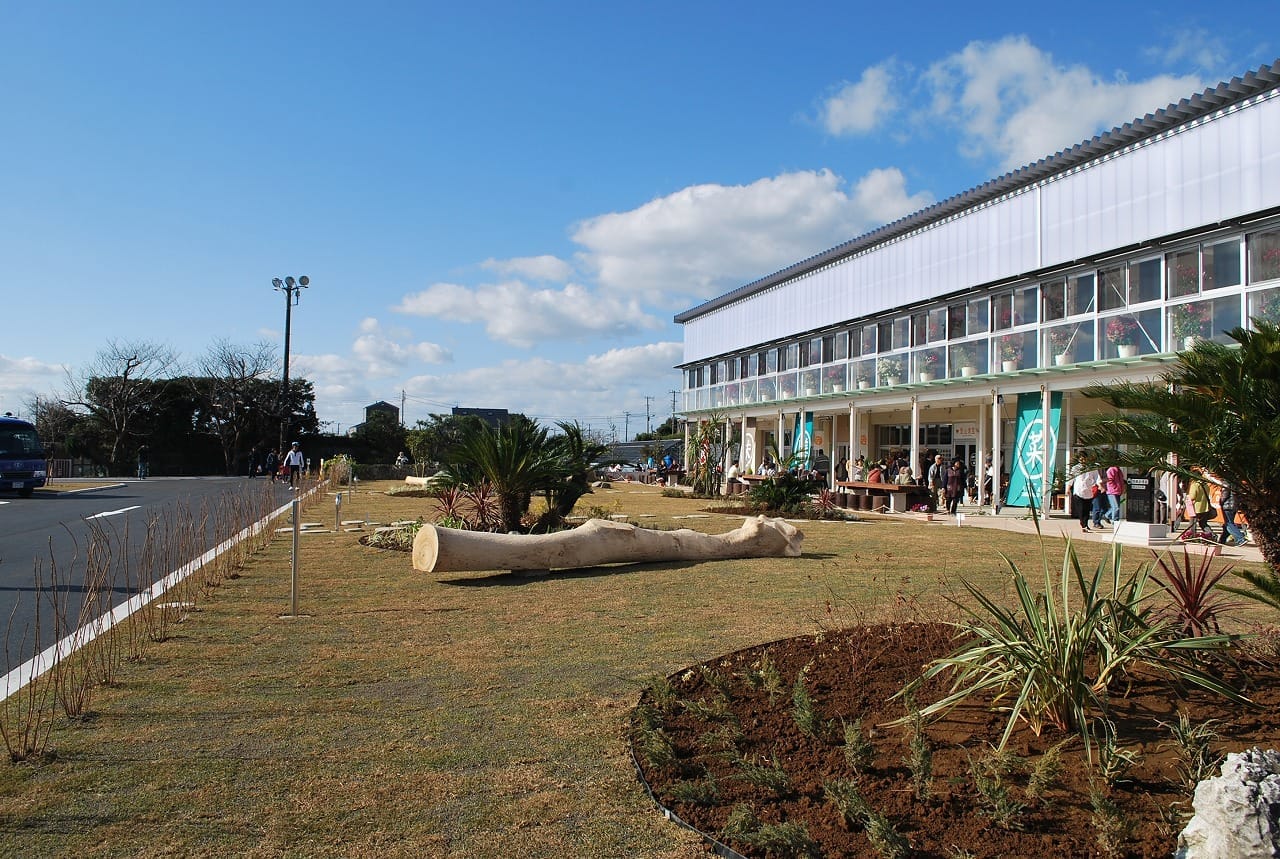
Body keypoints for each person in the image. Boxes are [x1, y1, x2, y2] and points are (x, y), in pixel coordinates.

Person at [1070, 459, 1103, 532]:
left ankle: (1085, 524)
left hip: (1088, 490)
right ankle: (1083, 524)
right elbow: (1071, 478)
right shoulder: (1076, 468)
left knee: (1087, 510)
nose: (1083, 461)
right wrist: (1068, 488)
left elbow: (1097, 477)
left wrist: (1100, 485)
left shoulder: (1092, 468)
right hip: (1078, 490)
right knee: (1081, 509)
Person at [1215, 479, 1249, 546]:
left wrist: (1220, 502)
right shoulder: (1237, 482)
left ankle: (1240, 539)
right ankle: (1222, 540)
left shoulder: (1226, 482)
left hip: (1227, 505)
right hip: (1234, 505)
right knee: (1227, 524)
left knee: (1229, 524)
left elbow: (1225, 495)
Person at [1186, 473, 1214, 539]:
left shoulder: (1195, 485)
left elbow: (1192, 496)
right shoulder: (1205, 485)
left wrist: (1187, 497)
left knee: (1192, 524)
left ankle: (1191, 536)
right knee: (1203, 523)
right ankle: (1211, 534)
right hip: (1205, 507)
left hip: (1196, 507)